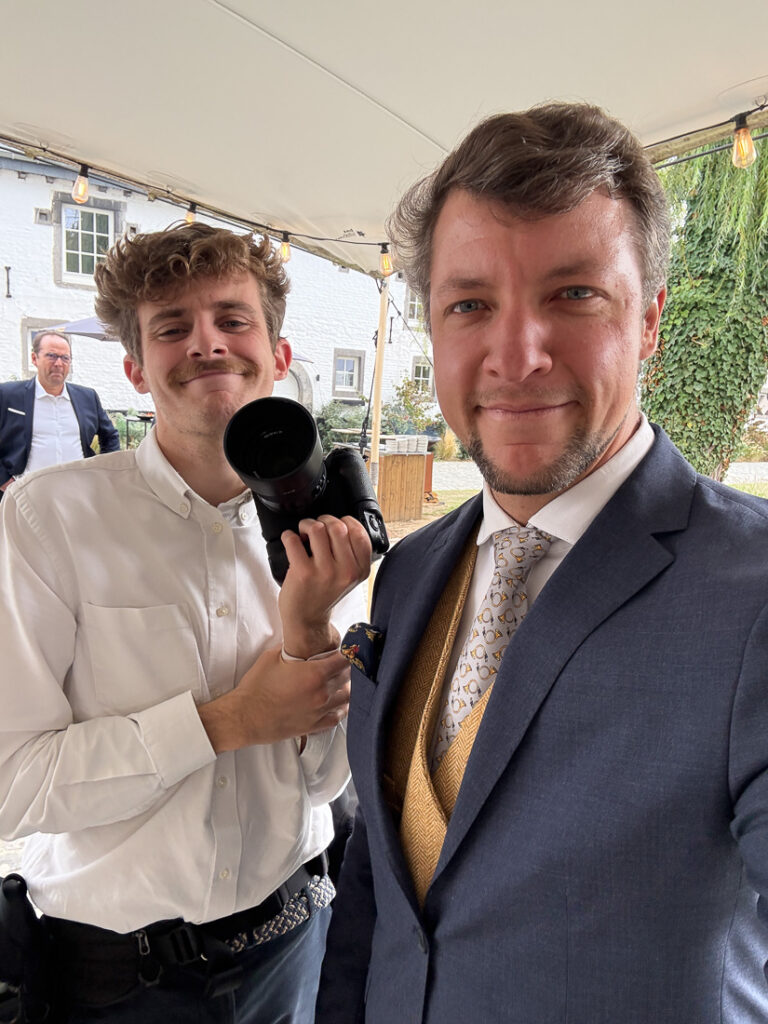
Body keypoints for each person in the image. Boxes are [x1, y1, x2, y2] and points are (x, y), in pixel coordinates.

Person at [316, 102, 768, 1023]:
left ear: (650, 321)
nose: (516, 357)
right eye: (470, 305)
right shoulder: (410, 572)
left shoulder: (753, 592)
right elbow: (379, 882)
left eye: (574, 295)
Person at [0, 223, 371, 1023]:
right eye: (173, 327)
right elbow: (10, 782)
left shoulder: (323, 530)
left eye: (233, 320)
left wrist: (309, 631)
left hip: (293, 945)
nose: (207, 342)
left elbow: (321, 782)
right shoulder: (45, 520)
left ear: (277, 352)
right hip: (115, 980)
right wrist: (228, 722)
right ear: (135, 367)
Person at [0, 330, 120, 496]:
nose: (58, 363)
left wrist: (104, 474)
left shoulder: (87, 397)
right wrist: (4, 481)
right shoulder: (8, 395)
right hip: (26, 495)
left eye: (65, 358)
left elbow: (110, 436)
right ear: (34, 358)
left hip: (77, 494)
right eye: (51, 356)